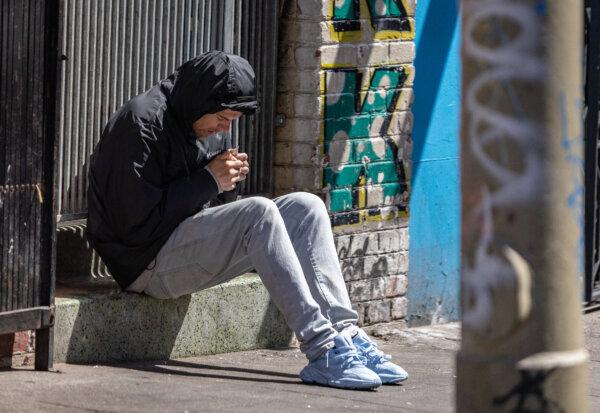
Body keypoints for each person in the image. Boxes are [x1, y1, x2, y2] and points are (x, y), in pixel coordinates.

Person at [87, 50, 408, 389]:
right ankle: (323, 348)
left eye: (231, 121)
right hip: (143, 264)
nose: (224, 128)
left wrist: (224, 184)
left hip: (180, 246)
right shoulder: (142, 123)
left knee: (307, 207)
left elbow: (206, 208)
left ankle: (345, 335)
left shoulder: (200, 121)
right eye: (222, 118)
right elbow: (133, 226)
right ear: (201, 101)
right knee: (259, 212)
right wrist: (208, 180)